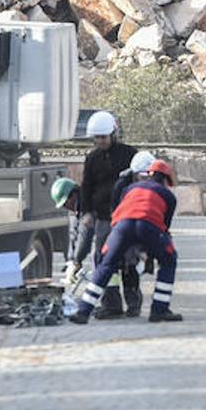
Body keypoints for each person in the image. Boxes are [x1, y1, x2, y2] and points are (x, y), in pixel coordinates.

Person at [70, 159, 182, 324]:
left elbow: (120, 209)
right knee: (169, 260)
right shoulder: (168, 196)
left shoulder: (130, 188)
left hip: (121, 227)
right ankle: (159, 310)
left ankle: (83, 312)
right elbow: (164, 226)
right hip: (149, 226)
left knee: (106, 265)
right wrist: (148, 254)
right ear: (165, 179)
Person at [79, 110, 140, 318]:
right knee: (105, 262)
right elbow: (86, 187)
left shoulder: (130, 154)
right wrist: (86, 213)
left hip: (127, 217)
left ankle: (133, 303)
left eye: (103, 137)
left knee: (129, 261)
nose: (100, 141)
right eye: (96, 138)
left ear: (113, 134)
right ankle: (112, 304)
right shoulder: (92, 159)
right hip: (103, 218)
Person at [50, 176, 88, 286]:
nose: (67, 207)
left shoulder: (88, 203)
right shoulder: (75, 209)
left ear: (73, 195)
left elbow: (84, 235)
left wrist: (76, 261)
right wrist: (71, 260)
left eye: (66, 203)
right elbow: (73, 234)